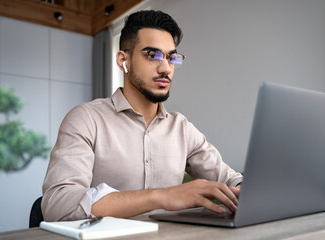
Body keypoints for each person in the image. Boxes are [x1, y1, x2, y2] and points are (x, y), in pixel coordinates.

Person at [42, 10, 243, 222]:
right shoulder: (85, 119)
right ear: (123, 60)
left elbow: (230, 179)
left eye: (171, 57)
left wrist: (246, 190)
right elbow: (58, 205)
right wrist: (161, 196)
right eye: (152, 55)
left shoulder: (182, 128)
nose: (166, 68)